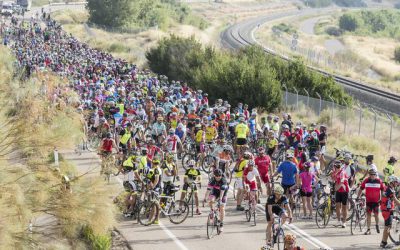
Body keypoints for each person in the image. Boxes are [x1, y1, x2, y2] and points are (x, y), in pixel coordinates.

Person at [357, 168, 384, 235]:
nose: (372, 175)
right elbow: (361, 189)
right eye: (371, 174)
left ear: (375, 175)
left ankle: (377, 225)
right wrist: (358, 196)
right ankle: (368, 229)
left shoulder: (379, 181)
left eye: (374, 174)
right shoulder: (366, 180)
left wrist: (381, 198)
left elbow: (382, 189)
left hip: (376, 201)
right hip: (368, 201)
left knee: (376, 215)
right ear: (369, 175)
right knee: (368, 215)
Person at [380, 176, 400, 248]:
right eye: (396, 182)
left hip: (386, 209)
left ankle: (384, 242)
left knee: (388, 226)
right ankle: (383, 243)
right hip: (387, 210)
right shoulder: (390, 190)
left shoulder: (387, 188)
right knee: (387, 227)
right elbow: (395, 200)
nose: (397, 184)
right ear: (392, 182)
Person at [331, 160, 349, 228]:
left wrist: (335, 189)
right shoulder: (336, 172)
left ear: (340, 167)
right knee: (337, 206)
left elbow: (341, 183)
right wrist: (333, 173)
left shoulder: (342, 173)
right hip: (339, 191)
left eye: (337, 167)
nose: (336, 168)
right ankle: (339, 221)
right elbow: (333, 180)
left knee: (344, 207)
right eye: (335, 167)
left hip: (344, 191)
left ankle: (344, 222)